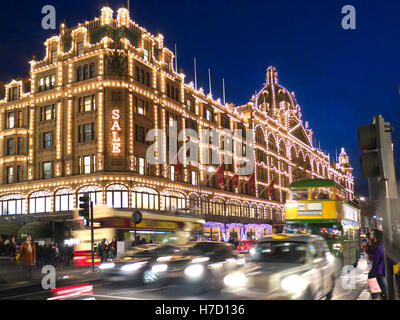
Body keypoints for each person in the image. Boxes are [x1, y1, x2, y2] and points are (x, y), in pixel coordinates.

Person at [368, 229, 387, 300]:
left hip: (379, 270)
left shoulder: (377, 247)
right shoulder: (384, 246)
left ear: (376, 237)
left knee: (383, 287)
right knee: (384, 286)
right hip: (384, 269)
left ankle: (383, 296)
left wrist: (372, 272)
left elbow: (376, 261)